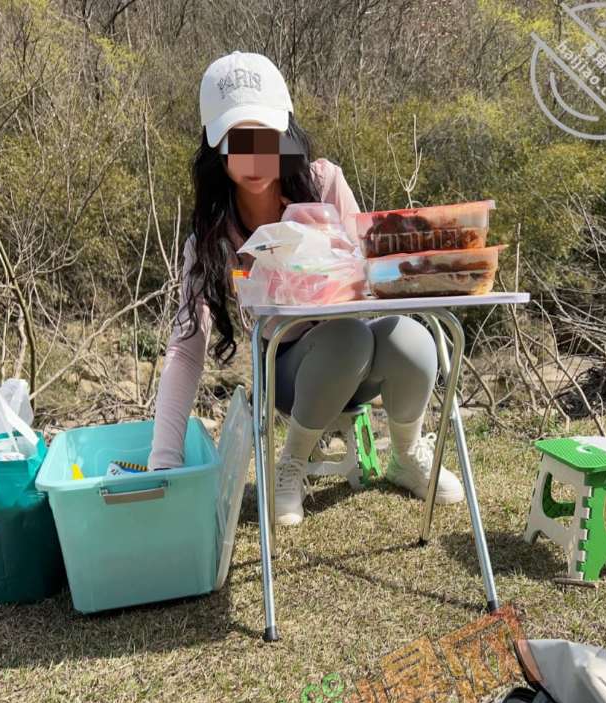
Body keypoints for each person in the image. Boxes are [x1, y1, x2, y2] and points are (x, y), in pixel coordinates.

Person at [147, 50, 464, 524]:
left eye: (266, 137)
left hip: (357, 351)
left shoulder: (325, 182)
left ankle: (406, 453)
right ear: (217, 148)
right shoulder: (212, 235)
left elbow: (372, 276)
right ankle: (290, 464)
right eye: (238, 139)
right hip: (291, 371)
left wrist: (371, 257)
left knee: (412, 337)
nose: (255, 156)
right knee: (346, 338)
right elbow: (187, 348)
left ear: (286, 134)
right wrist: (163, 461)